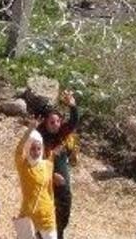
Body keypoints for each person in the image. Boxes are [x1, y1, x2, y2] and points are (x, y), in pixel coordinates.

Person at [39, 91, 79, 239]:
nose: (56, 125)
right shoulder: (39, 139)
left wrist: (72, 105)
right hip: (46, 188)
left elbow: (73, 122)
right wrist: (51, 173)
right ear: (44, 122)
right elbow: (33, 165)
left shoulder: (61, 133)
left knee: (62, 222)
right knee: (46, 225)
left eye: (58, 121)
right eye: (52, 122)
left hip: (63, 189)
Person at [16, 118, 57, 239]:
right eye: (32, 148)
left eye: (39, 148)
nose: (36, 152)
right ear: (28, 148)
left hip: (46, 216)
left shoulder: (48, 165)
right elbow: (18, 150)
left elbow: (50, 191)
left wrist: (52, 208)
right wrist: (29, 131)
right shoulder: (23, 166)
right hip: (28, 216)